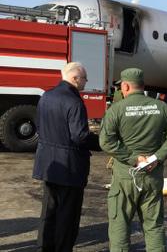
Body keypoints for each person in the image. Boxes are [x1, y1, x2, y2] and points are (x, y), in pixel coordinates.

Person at [99, 68, 167, 252]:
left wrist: (133, 159)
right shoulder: (161, 107)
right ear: (143, 85)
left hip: (125, 178)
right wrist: (156, 158)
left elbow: (106, 141)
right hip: (152, 176)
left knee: (120, 225)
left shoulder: (116, 110)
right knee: (154, 225)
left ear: (125, 86)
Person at [33, 62, 92, 252]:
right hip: (70, 168)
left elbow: (40, 126)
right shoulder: (74, 102)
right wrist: (98, 141)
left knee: (48, 212)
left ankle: (44, 247)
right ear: (75, 78)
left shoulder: (46, 96)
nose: (86, 81)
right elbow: (79, 136)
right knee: (68, 216)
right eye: (84, 78)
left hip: (49, 164)